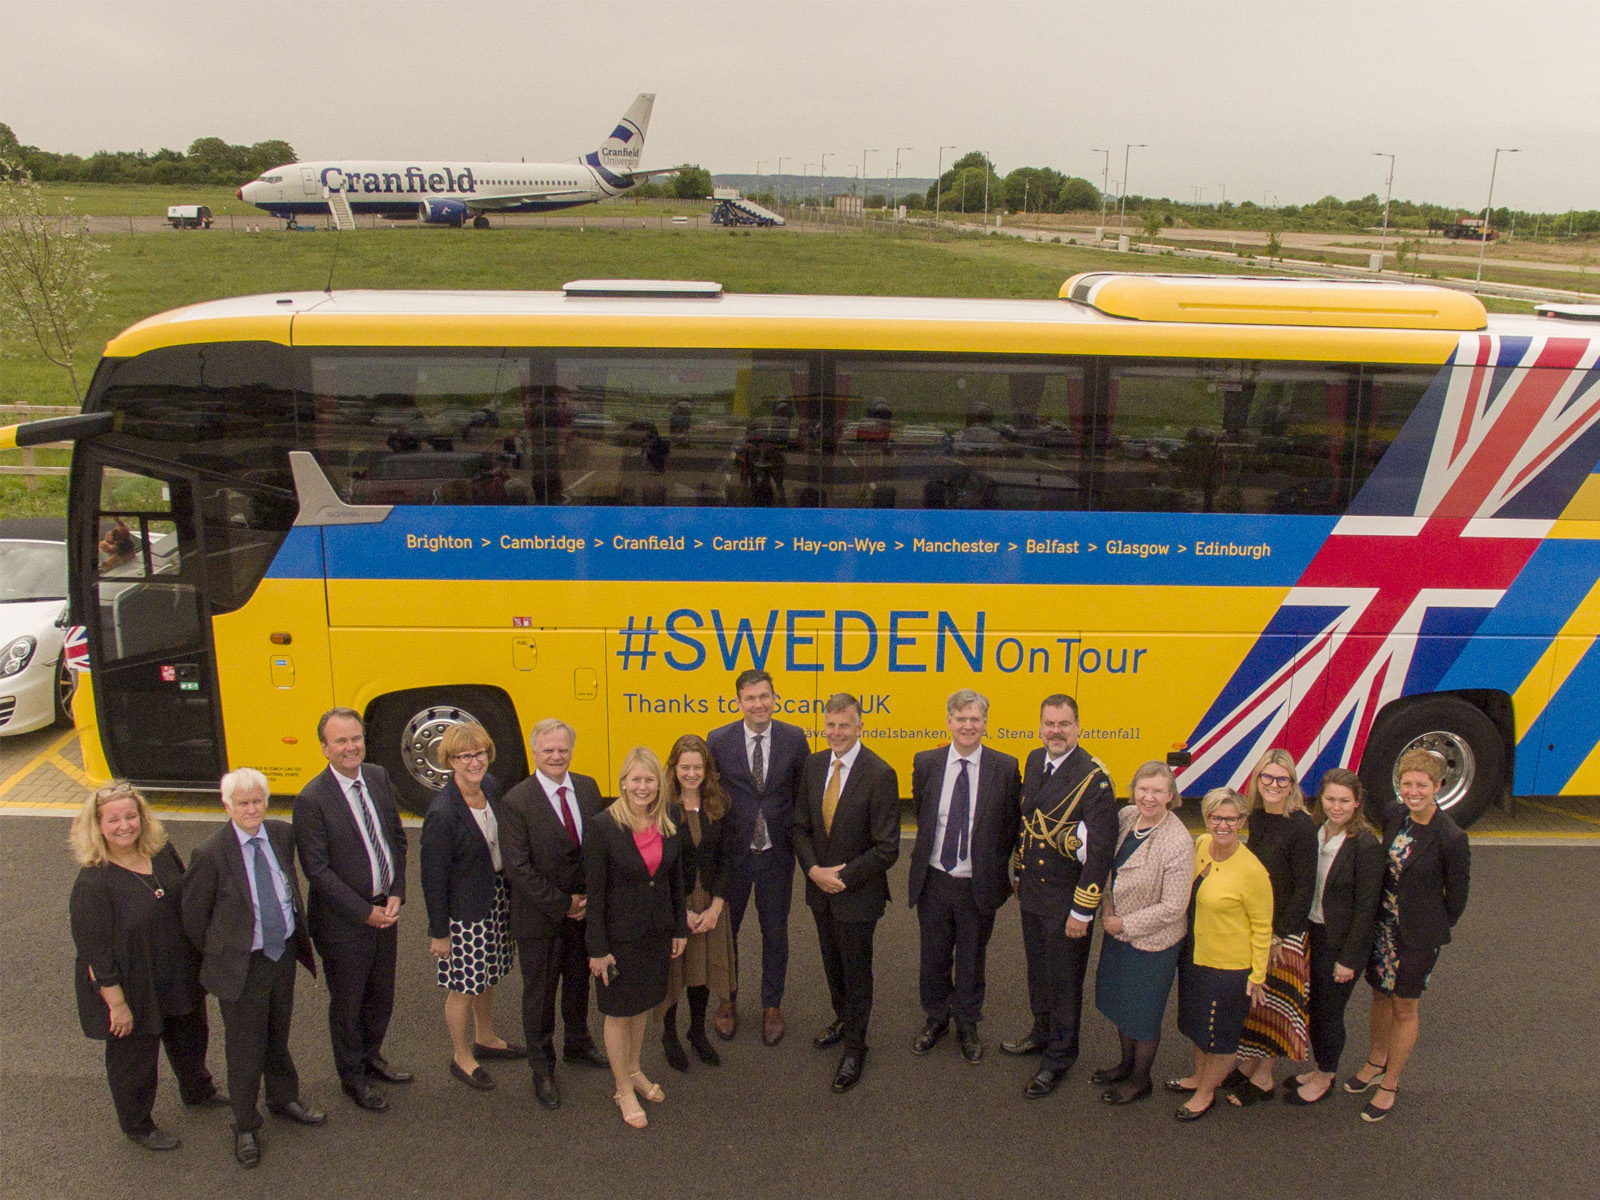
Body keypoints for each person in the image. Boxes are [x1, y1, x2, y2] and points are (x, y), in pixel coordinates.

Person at [69, 781, 223, 1151]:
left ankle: (197, 1089)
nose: (125, 825)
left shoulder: (162, 851)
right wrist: (116, 1004)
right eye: (113, 820)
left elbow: (187, 898)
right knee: (133, 1060)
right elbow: (95, 952)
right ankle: (138, 1124)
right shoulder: (92, 882)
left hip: (176, 970)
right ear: (98, 827)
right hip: (130, 984)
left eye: (131, 815)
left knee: (190, 1034)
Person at [182, 770, 323, 1168]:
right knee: (245, 1047)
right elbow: (194, 919)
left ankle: (284, 1098)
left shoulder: (279, 834)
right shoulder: (210, 854)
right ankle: (245, 1123)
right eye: (242, 803)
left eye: (257, 800)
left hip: (280, 957)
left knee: (277, 1034)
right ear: (226, 806)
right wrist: (225, 954)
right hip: (242, 967)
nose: (251, 809)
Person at [293, 708, 411, 1112]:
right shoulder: (311, 800)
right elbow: (318, 872)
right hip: (344, 923)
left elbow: (396, 838)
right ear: (325, 748)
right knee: (349, 1002)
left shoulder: (377, 777)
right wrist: (365, 912)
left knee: (381, 994)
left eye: (355, 738)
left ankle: (371, 1056)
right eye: (340, 741)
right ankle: (353, 1078)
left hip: (386, 912)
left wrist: (397, 890)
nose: (350, 747)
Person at [1002, 693, 1118, 1099]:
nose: (1055, 731)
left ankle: (1059, 1056)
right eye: (1049, 723)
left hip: (1067, 902)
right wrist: (1018, 870)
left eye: (1064, 724)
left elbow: (1099, 852)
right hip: (1033, 892)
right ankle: (1041, 1030)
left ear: (1078, 727)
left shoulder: (1094, 778)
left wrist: (1082, 912)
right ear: (1040, 725)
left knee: (1065, 981)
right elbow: (1028, 823)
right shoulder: (1035, 760)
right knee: (1039, 971)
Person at [1347, 749, 1470, 1122]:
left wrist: (1427, 928)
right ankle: (1375, 1061)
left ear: (1438, 786)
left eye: (1422, 784)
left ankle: (1391, 1082)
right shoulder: (1395, 815)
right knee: (1380, 996)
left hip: (1417, 936)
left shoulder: (1451, 837)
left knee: (1404, 1006)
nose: (1413, 791)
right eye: (1407, 783)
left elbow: (1458, 899)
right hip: (1383, 927)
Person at [906, 688, 1021, 1064]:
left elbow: (1009, 826)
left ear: (986, 724)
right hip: (935, 878)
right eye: (960, 718)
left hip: (977, 882)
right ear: (949, 722)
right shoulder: (926, 763)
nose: (967, 725)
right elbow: (924, 818)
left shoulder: (1005, 768)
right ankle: (936, 1018)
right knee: (934, 957)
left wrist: (996, 869)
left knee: (972, 957)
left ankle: (968, 1023)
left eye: (975, 719)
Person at [792, 693, 901, 1093]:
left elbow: (888, 846)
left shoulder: (880, 773)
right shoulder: (814, 765)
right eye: (831, 725)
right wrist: (813, 871)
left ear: (860, 727)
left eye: (844, 725)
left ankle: (856, 1047)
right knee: (831, 964)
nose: (836, 732)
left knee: (857, 972)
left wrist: (840, 877)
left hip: (857, 895)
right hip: (820, 891)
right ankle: (842, 1018)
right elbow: (800, 826)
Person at [500, 717, 608, 1110]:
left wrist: (590, 900)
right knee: (541, 995)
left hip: (585, 915)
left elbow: (599, 846)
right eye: (548, 750)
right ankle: (542, 1068)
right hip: (540, 919)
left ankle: (578, 1044)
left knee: (580, 984)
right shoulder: (516, 801)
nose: (556, 756)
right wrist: (564, 904)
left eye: (563, 749)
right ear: (534, 752)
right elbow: (518, 868)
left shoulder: (588, 787)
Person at [585, 748, 688, 1129]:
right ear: (623, 783)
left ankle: (634, 1070)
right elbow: (594, 894)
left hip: (657, 930)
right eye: (635, 779)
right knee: (618, 1011)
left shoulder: (669, 817)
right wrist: (597, 948)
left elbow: (674, 879)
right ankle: (622, 1088)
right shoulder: (601, 826)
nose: (642, 787)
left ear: (659, 784)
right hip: (618, 937)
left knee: (643, 1003)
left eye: (649, 780)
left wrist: (679, 927)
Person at [420, 722, 526, 1092]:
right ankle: (462, 1056)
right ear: (449, 760)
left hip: (495, 894)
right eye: (464, 756)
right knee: (463, 985)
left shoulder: (491, 788)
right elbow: (432, 877)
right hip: (463, 911)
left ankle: (486, 1037)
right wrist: (439, 931)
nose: (474, 761)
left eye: (479, 753)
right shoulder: (443, 813)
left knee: (487, 973)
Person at [707, 668, 809, 1046]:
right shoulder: (718, 740)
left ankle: (771, 1005)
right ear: (738, 703)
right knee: (726, 934)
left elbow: (804, 795)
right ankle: (727, 1000)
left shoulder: (794, 738)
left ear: (775, 698)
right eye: (750, 698)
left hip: (776, 856)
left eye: (764, 696)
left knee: (775, 933)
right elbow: (709, 796)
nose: (758, 704)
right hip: (732, 858)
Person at [1091, 762, 1195, 1105]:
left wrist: (1125, 924)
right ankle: (1125, 1064)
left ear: (1171, 796)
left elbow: (1174, 907)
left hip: (1152, 943)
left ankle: (1140, 1079)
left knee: (1143, 1013)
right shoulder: (1127, 817)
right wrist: (1107, 908)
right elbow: (1107, 863)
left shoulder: (1177, 841)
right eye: (1143, 789)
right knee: (1121, 1004)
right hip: (1115, 928)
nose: (1149, 797)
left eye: (1158, 791)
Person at [1168, 787, 1274, 1122]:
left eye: (1230, 818)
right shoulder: (1201, 846)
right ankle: (1199, 1077)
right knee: (1197, 1026)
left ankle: (1205, 1093)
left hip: (1229, 968)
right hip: (1195, 957)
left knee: (1221, 1035)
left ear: (1242, 820)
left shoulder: (1253, 871)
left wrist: (1257, 976)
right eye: (1215, 817)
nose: (1222, 824)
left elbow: (1262, 927)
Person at [1286, 767, 1383, 1106]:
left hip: (1337, 941)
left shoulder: (1366, 846)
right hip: (1308, 932)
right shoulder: (1314, 830)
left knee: (1329, 1011)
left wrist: (1349, 959)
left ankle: (1326, 1074)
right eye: (1330, 799)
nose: (1336, 807)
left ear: (1357, 803)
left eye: (1344, 801)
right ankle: (1317, 1067)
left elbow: (1367, 908)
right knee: (1311, 1006)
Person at [1230, 748, 1318, 1104]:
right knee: (1255, 1004)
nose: (1273, 785)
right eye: (1267, 777)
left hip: (1284, 932)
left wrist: (1280, 934)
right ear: (1257, 779)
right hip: (1256, 926)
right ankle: (1248, 1063)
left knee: (1276, 1007)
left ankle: (1265, 1076)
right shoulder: (1256, 816)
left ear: (1292, 784)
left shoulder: (1301, 825)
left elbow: (1304, 888)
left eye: (1282, 780)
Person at [656, 734, 735, 1071]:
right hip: (675, 903)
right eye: (684, 767)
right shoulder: (660, 808)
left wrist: (716, 907)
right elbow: (656, 866)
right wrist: (680, 912)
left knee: (701, 970)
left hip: (711, 903)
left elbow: (728, 858)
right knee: (675, 972)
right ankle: (669, 1034)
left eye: (697, 767)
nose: (691, 773)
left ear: (707, 769)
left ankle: (697, 1031)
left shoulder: (719, 804)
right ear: (673, 769)